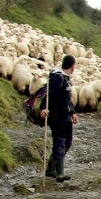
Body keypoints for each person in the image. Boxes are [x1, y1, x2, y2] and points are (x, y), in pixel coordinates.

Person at [40, 54, 79, 182]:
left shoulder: (66, 79)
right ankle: (60, 172)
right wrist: (43, 108)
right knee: (60, 141)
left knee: (67, 141)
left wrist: (72, 112)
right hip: (57, 115)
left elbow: (67, 98)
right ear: (72, 66)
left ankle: (51, 168)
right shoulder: (57, 78)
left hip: (66, 114)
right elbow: (48, 94)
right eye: (75, 65)